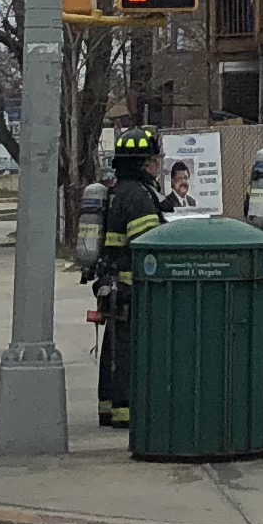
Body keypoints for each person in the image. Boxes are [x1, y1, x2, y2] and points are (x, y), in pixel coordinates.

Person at [87, 127, 170, 431]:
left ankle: (108, 408)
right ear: (143, 163)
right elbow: (149, 245)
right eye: (153, 160)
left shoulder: (116, 191)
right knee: (130, 349)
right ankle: (126, 411)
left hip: (112, 284)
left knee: (114, 346)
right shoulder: (137, 196)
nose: (157, 166)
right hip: (132, 286)